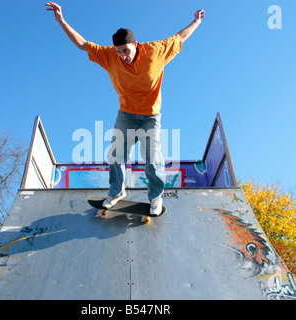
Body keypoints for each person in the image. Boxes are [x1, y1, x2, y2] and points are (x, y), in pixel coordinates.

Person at [46, 2, 204, 215]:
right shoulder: (109, 55)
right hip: (127, 114)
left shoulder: (155, 51)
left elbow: (180, 37)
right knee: (115, 154)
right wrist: (62, 21)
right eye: (119, 52)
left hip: (151, 116)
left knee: (153, 157)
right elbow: (82, 44)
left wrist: (195, 22)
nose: (123, 56)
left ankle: (155, 196)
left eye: (126, 51)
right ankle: (117, 191)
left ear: (136, 45)